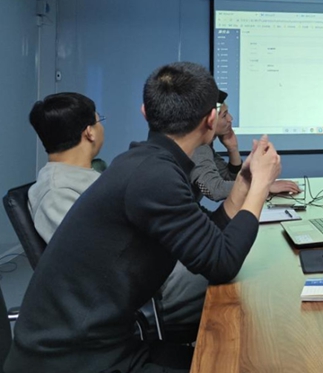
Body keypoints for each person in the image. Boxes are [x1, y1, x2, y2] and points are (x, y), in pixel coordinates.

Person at [5, 62, 282, 373]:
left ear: (145, 112)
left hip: (105, 343)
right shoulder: (153, 175)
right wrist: (261, 185)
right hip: (73, 360)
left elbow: (210, 236)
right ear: (210, 120)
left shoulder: (149, 164)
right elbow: (223, 262)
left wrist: (243, 184)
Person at [190, 92, 299, 201]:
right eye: (224, 115)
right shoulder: (199, 148)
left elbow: (231, 179)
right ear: (210, 120)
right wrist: (263, 186)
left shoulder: (205, 147)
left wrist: (233, 149)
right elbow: (215, 190)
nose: (230, 118)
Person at [27, 92, 104, 242]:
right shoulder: (56, 194)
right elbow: (91, 248)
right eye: (99, 120)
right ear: (90, 132)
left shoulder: (84, 173)